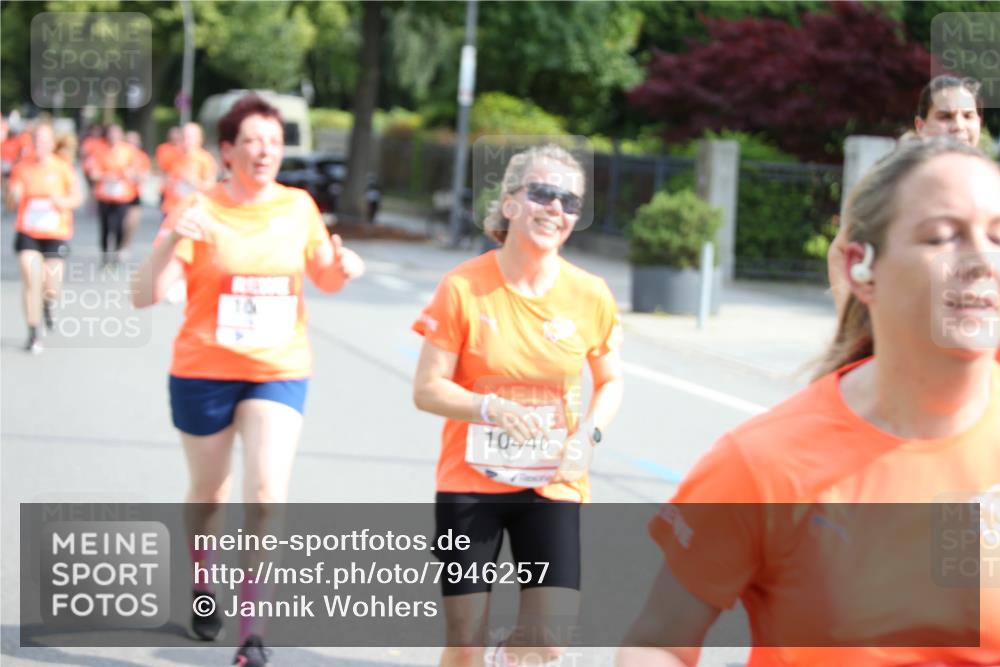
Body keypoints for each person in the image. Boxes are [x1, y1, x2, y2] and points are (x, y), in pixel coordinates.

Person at [618, 138, 1000, 666]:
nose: (982, 258)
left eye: (999, 236)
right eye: (942, 237)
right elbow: (657, 646)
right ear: (860, 267)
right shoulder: (761, 462)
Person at [131, 95, 365, 667]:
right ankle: (202, 583)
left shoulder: (299, 207)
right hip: (204, 368)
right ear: (228, 150)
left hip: (277, 368)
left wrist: (342, 267)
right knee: (211, 493)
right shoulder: (198, 209)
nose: (265, 152)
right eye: (253, 141)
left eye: (274, 142)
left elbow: (323, 277)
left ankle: (251, 629)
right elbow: (144, 296)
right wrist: (166, 241)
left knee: (265, 492)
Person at [412, 144, 625, 667]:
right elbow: (427, 389)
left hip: (551, 482)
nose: (556, 208)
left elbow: (612, 380)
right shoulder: (463, 287)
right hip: (470, 483)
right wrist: (490, 408)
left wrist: (589, 436)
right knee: (465, 641)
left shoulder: (590, 294)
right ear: (510, 204)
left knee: (548, 642)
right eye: (544, 193)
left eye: (570, 201)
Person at [829, 75, 984, 319]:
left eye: (968, 115)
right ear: (921, 126)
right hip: (909, 336)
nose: (959, 126)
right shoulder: (896, 183)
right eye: (945, 116)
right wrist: (851, 327)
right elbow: (841, 252)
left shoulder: (990, 186)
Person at [6, 123, 82, 353]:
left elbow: (77, 198)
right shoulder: (22, 167)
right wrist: (13, 195)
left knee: (51, 287)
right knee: (31, 278)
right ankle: (33, 332)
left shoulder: (63, 168)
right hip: (28, 231)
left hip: (55, 232)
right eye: (36, 139)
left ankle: (48, 303)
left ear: (51, 143)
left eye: (44, 140)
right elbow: (11, 202)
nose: (40, 144)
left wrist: (63, 202)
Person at [86, 124, 145, 265]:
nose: (113, 137)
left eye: (116, 134)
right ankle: (105, 255)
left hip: (122, 196)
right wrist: (106, 176)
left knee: (119, 226)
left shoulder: (128, 151)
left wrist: (127, 174)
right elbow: (93, 173)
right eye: (111, 134)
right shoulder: (100, 151)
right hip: (105, 195)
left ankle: (118, 252)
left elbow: (137, 170)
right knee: (105, 226)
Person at [161, 122, 217, 216]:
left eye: (190, 137)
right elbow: (165, 178)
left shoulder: (205, 159)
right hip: (172, 209)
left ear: (200, 139)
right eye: (183, 136)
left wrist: (194, 181)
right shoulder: (172, 155)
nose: (186, 140)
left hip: (193, 210)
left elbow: (211, 188)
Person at [121, 130, 151, 257]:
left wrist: (135, 176)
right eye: (129, 141)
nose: (131, 144)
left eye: (134, 141)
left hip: (134, 193)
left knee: (132, 221)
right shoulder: (118, 155)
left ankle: (126, 246)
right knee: (119, 223)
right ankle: (119, 245)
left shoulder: (141, 157)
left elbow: (145, 176)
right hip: (119, 195)